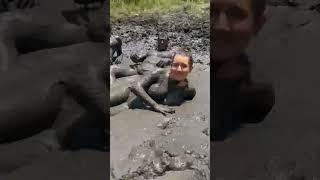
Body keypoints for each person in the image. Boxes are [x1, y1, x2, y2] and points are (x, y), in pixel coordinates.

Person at [211, 0, 275, 140]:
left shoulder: (257, 99)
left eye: (235, 14)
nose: (220, 26)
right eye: (209, 12)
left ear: (257, 25)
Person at [126, 48, 196, 115]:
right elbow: (135, 86)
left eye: (184, 66)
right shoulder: (160, 73)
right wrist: (155, 106)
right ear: (171, 65)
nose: (179, 69)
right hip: (130, 98)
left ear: (190, 69)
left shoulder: (189, 90)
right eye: (175, 65)